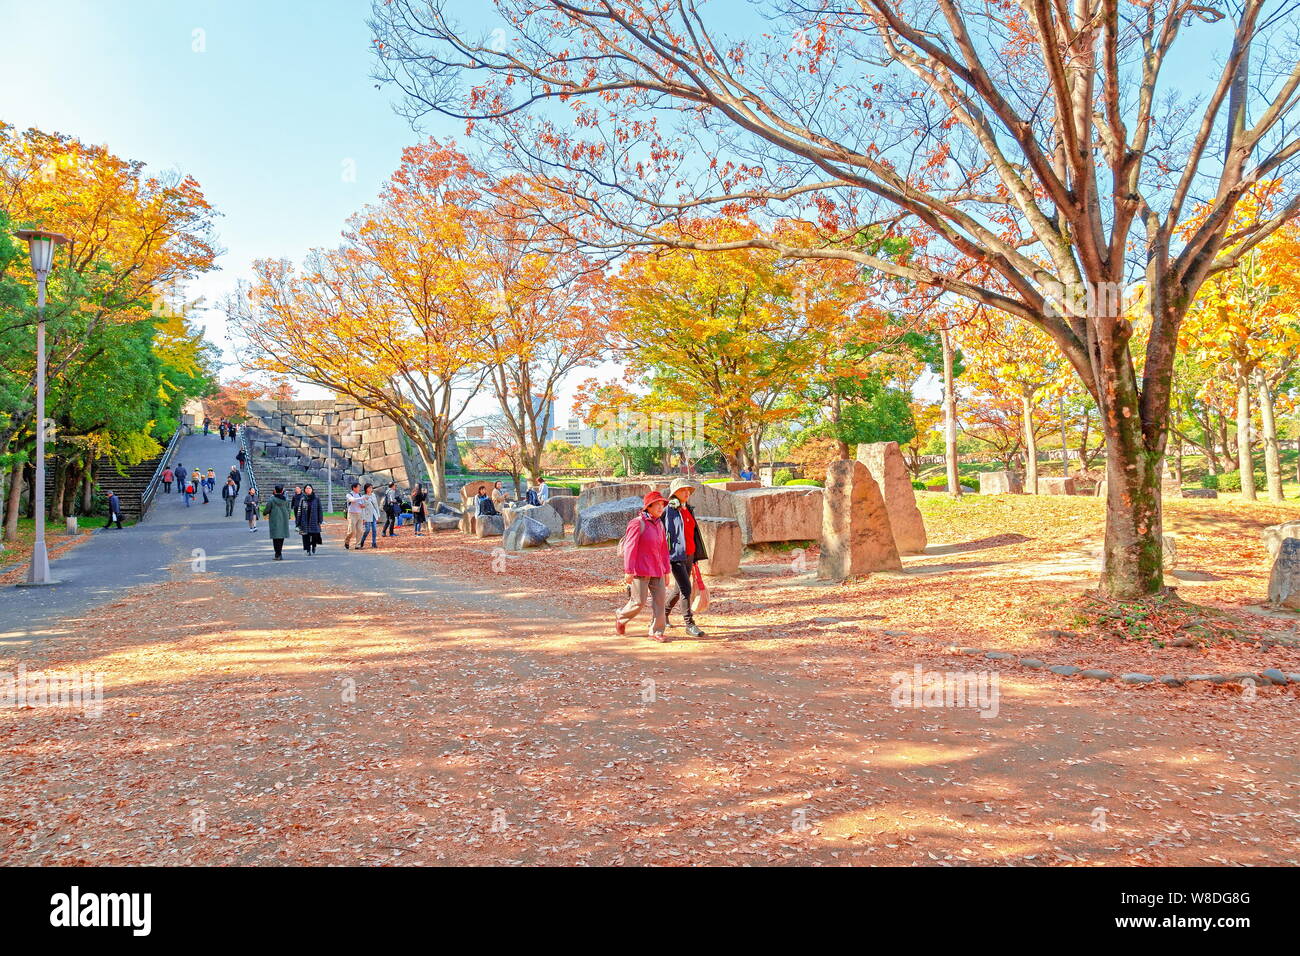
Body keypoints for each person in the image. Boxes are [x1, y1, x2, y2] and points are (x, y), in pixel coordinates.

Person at [615, 491, 672, 642]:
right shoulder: (637, 523)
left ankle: (657, 631)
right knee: (638, 602)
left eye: (662, 505)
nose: (661, 508)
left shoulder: (660, 523)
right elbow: (630, 547)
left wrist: (666, 571)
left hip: (658, 569)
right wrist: (629, 570)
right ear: (649, 506)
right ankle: (621, 617)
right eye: (657, 505)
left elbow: (664, 549)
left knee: (660, 601)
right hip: (640, 570)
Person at [662, 478, 709, 638]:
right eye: (683, 490)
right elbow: (666, 533)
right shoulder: (670, 509)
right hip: (676, 556)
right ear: (674, 493)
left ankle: (663, 613)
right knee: (686, 589)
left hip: (689, 554)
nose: (687, 493)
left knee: (678, 589)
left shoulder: (687, 508)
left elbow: (691, 533)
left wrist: (695, 555)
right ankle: (689, 624)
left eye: (688, 490)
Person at [262, 484, 292, 560]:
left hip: (274, 520)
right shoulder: (286, 500)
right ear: (282, 491)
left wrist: (264, 513)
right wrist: (288, 516)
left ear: (275, 491)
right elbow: (289, 510)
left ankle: (277, 554)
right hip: (283, 520)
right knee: (281, 537)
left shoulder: (272, 500)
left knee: (275, 538)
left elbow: (267, 509)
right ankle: (279, 553)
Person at [297, 484, 323, 554]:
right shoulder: (302, 499)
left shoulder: (316, 498)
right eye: (307, 488)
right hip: (305, 520)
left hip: (314, 519)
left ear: (312, 489)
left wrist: (320, 519)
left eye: (309, 488)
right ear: (304, 490)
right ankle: (308, 549)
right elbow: (299, 510)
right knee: (306, 535)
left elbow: (320, 509)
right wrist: (298, 521)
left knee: (314, 535)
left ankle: (314, 545)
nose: (308, 489)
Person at [343, 481, 367, 550]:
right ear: (354, 488)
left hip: (359, 514)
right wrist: (362, 498)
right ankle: (347, 541)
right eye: (358, 487)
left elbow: (362, 505)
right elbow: (352, 500)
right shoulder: (349, 494)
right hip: (352, 514)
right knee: (351, 531)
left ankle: (357, 545)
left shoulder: (360, 495)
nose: (359, 489)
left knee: (360, 530)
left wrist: (363, 505)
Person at [359, 483, 382, 549]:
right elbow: (362, 508)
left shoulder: (373, 495)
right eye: (369, 488)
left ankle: (374, 543)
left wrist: (378, 514)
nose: (371, 489)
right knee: (367, 530)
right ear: (366, 489)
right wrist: (363, 518)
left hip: (374, 514)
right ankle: (361, 542)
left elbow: (376, 505)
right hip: (367, 515)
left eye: (371, 488)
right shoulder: (363, 497)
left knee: (374, 530)